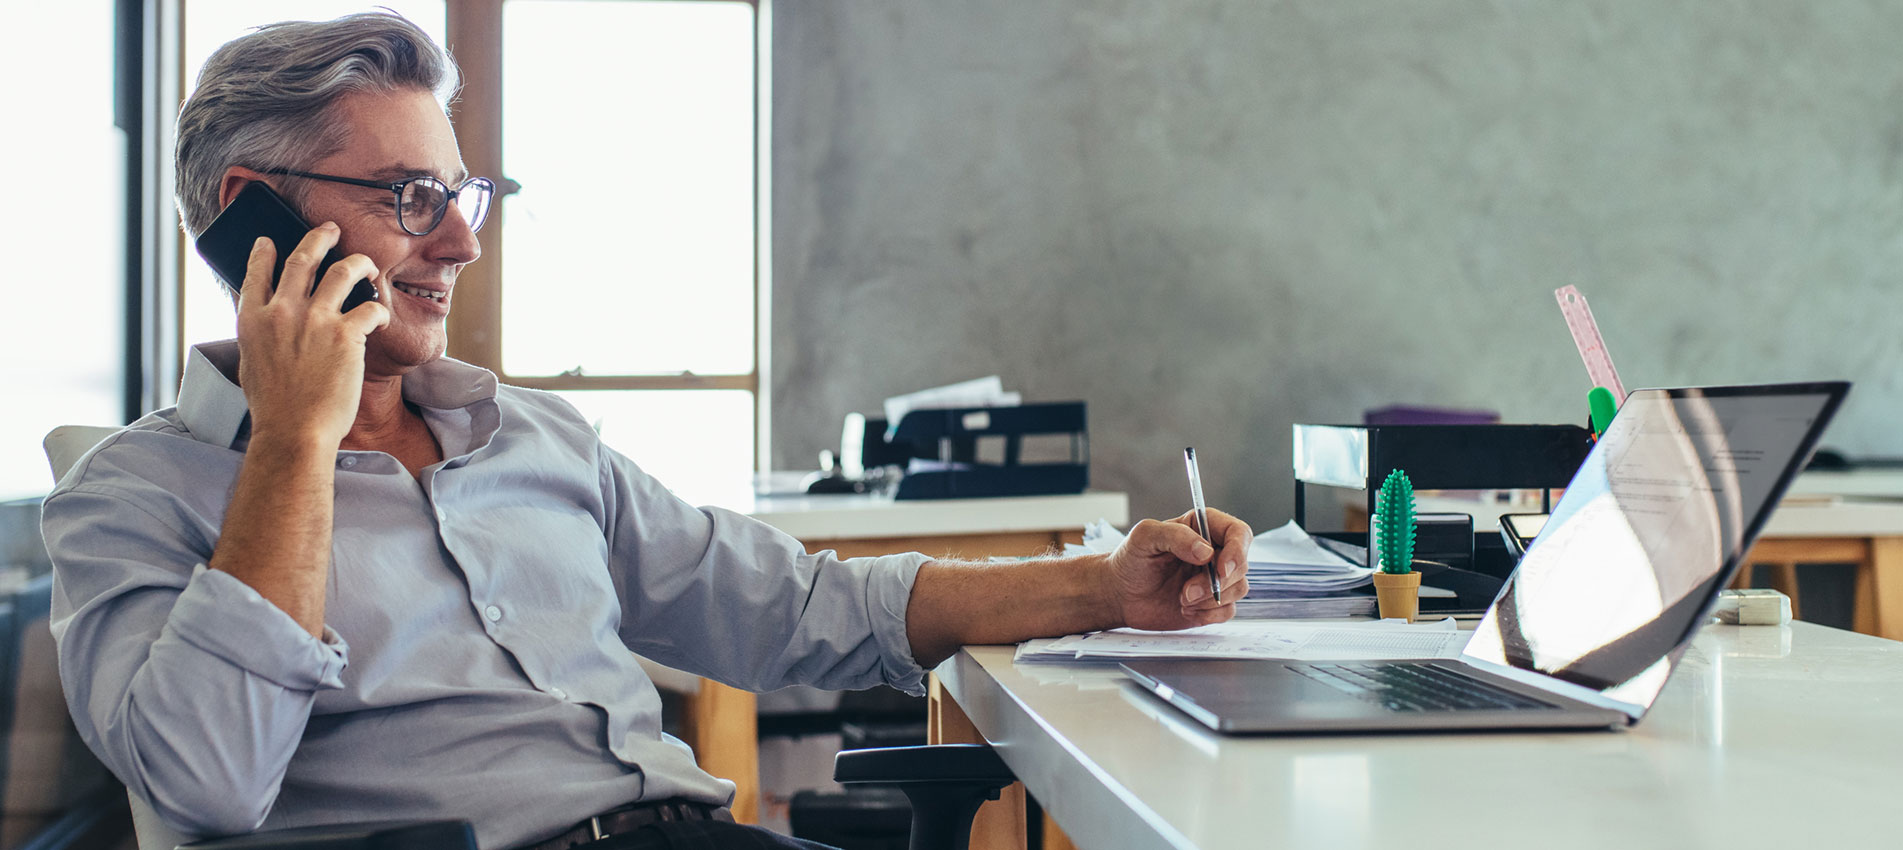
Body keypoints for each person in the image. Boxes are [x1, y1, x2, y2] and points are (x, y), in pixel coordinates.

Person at [42, 11, 1252, 850]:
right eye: (412, 199)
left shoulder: (531, 439)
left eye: (462, 197)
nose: (461, 243)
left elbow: (806, 608)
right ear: (254, 222)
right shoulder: (131, 494)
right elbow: (207, 778)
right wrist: (297, 442)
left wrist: (1105, 585)